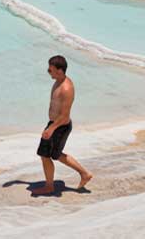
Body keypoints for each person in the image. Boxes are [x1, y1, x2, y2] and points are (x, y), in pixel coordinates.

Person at [33, 55, 92, 194]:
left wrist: (51, 129)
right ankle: (84, 174)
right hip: (55, 124)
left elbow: (64, 116)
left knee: (45, 154)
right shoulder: (57, 81)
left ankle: (50, 186)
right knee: (54, 154)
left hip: (60, 126)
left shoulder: (66, 89)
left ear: (59, 71)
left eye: (50, 70)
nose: (48, 71)